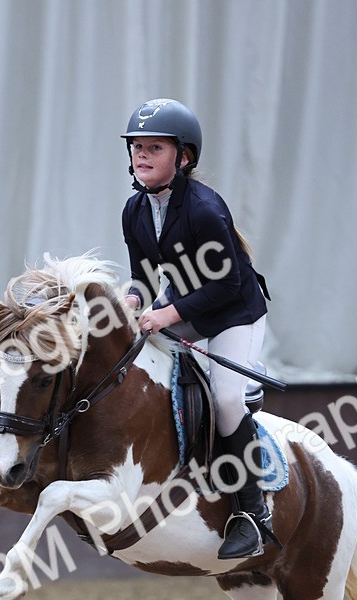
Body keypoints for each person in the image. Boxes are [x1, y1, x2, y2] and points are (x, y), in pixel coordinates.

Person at [121, 98, 275, 560]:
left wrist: (166, 316)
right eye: (136, 148)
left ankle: (253, 514)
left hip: (234, 310)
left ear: (183, 157)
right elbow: (144, 276)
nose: (142, 155)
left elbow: (227, 284)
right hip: (187, 300)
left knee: (227, 399)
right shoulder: (134, 210)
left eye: (154, 148)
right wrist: (130, 304)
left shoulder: (205, 209)